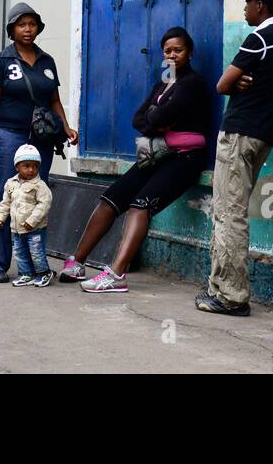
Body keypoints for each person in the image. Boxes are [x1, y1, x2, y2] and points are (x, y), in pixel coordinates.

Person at [62, 27, 212, 293]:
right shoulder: (163, 83)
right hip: (157, 153)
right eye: (167, 51)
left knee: (140, 205)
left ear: (190, 53)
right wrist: (158, 118)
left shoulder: (192, 84)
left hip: (185, 158)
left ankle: (117, 275)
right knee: (111, 198)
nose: (172, 55)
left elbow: (160, 116)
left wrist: (157, 117)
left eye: (178, 50)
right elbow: (139, 119)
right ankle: (77, 262)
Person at [195, 0, 273, 317]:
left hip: (239, 135)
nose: (245, 8)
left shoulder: (260, 39)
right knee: (230, 209)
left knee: (229, 213)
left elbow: (221, 85)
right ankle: (218, 286)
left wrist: (235, 82)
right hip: (261, 136)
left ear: (260, 6)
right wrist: (241, 81)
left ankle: (231, 296)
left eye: (248, 2)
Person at [0, 3, 78, 283]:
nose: (27, 29)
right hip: (10, 135)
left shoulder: (47, 61)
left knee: (37, 197)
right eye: (21, 24)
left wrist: (66, 127)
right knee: (5, 196)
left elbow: (54, 100)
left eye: (32, 24)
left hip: (42, 140)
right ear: (12, 29)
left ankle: (34, 263)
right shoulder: (0, 61)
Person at [0, 144, 55, 287]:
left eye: (35, 166)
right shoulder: (11, 183)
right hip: (17, 229)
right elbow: (5, 203)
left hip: (34, 229)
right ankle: (26, 274)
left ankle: (44, 273)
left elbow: (44, 204)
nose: (31, 170)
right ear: (17, 166)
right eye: (26, 166)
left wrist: (32, 221)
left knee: (36, 252)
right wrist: (0, 217)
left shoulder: (40, 185)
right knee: (19, 253)